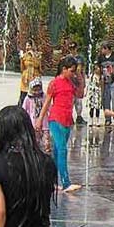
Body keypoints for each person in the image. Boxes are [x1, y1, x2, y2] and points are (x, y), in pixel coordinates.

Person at [36, 56, 81, 193]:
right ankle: (66, 183)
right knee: (62, 150)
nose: (73, 73)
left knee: (56, 152)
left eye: (75, 71)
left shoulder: (71, 83)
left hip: (67, 120)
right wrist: (40, 119)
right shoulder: (54, 83)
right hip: (55, 120)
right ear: (64, 69)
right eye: (72, 71)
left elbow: (81, 94)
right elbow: (47, 102)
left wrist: (79, 76)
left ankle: (52, 182)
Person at [96, 42, 114, 127]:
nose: (101, 50)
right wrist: (98, 78)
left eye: (102, 49)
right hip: (105, 83)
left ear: (107, 48)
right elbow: (98, 68)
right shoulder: (101, 57)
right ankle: (107, 119)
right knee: (106, 101)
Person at [22, 78, 50, 152]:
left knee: (46, 140)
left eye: (38, 89)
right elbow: (24, 110)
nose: (37, 92)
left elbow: (48, 107)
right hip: (33, 123)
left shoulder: (44, 97)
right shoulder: (28, 98)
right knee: (35, 140)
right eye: (35, 89)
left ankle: (46, 152)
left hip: (44, 123)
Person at [68, 41, 87, 126]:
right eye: (70, 48)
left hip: (78, 81)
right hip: (70, 80)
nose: (72, 50)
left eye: (73, 48)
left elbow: (82, 70)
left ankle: (79, 116)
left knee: (78, 100)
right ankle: (69, 116)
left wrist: (84, 81)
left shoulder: (80, 58)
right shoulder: (67, 58)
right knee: (71, 99)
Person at [18, 41, 42, 108]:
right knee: (23, 96)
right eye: (26, 46)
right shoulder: (25, 55)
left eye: (29, 46)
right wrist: (21, 59)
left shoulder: (38, 55)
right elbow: (22, 69)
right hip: (25, 79)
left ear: (32, 46)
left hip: (34, 78)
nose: (27, 47)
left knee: (34, 95)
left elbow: (37, 65)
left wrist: (33, 55)